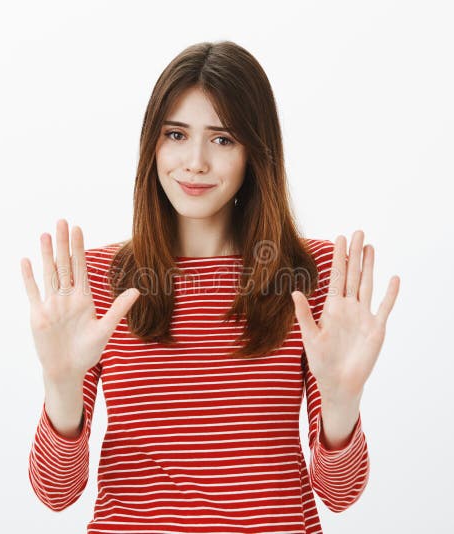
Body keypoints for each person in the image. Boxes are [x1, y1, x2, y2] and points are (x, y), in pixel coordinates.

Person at [20, 40, 400, 534]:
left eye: (222, 139)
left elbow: (339, 493)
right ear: (151, 145)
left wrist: (342, 400)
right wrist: (61, 383)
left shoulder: (314, 274)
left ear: (254, 153)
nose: (195, 161)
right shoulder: (96, 279)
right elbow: (56, 493)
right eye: (176, 134)